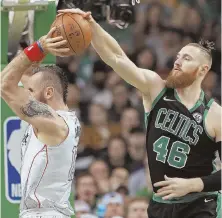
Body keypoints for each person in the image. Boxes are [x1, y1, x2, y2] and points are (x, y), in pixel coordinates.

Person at [58, 9, 221, 218]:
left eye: (186, 58)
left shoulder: (215, 114)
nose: (177, 62)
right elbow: (116, 57)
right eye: (178, 56)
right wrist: (92, 25)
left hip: (199, 204)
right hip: (160, 204)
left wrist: (193, 184)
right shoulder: (156, 89)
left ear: (202, 70)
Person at [1, 28, 81, 218]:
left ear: (48, 93)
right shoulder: (64, 119)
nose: (25, 94)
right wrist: (39, 51)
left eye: (29, 90)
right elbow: (17, 77)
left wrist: (38, 47)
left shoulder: (53, 121)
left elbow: (4, 85)